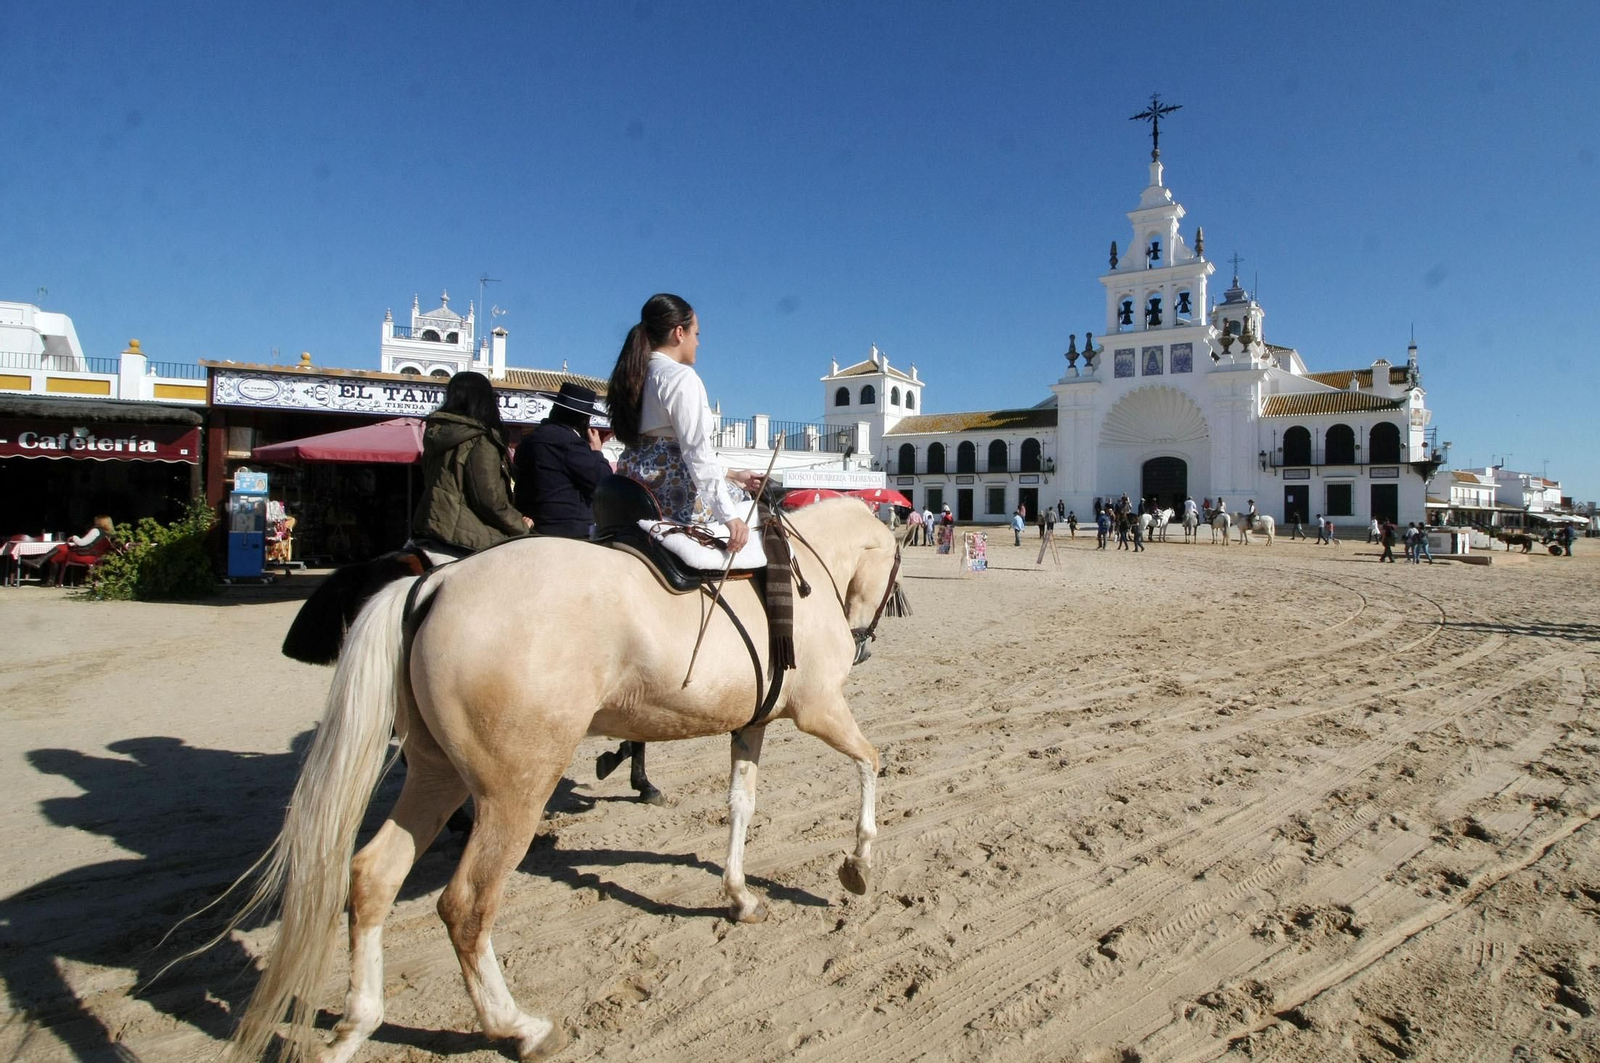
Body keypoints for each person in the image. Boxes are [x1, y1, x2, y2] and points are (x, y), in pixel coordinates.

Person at [608, 294, 764, 552]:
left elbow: (666, 449)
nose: (698, 343)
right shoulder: (680, 377)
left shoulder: (632, 374)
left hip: (634, 483)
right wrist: (730, 518)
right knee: (757, 508)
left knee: (734, 488)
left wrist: (734, 475)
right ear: (679, 333)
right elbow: (696, 453)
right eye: (697, 334)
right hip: (670, 494)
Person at [412, 370, 529, 556]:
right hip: (468, 534)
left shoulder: (437, 433)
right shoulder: (481, 439)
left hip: (432, 525)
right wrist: (522, 527)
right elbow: (488, 498)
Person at [513, 382, 613, 539]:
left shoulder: (529, 441)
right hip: (569, 530)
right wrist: (597, 452)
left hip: (533, 526)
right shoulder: (570, 443)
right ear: (583, 419)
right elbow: (602, 481)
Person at [42, 515, 116, 584]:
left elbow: (82, 543)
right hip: (97, 556)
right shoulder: (110, 533)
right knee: (62, 548)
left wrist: (74, 537)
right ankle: (39, 561)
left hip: (84, 555)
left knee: (57, 555)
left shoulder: (96, 531)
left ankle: (50, 578)